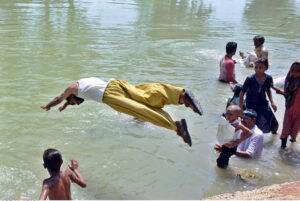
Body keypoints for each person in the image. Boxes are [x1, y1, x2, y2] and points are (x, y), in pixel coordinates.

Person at [41, 78, 203, 147]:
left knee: (142, 111)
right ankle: (181, 96)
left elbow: (60, 97)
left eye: (74, 103)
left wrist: (51, 105)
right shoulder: (83, 83)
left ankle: (177, 126)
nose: (76, 104)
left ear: (72, 96)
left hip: (110, 96)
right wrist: (65, 106)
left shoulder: (72, 88)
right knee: (147, 94)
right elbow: (69, 99)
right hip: (116, 84)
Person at [239, 58, 279, 134]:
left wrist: (272, 102)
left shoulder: (269, 78)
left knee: (273, 122)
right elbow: (242, 93)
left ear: (266, 68)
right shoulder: (250, 78)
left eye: (261, 67)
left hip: (263, 103)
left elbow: (268, 90)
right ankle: (249, 139)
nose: (258, 69)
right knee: (251, 124)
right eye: (256, 67)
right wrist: (241, 108)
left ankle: (274, 136)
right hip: (251, 104)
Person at [272, 61, 300, 148]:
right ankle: (283, 149)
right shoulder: (289, 82)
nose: (294, 73)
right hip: (289, 110)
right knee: (285, 129)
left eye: (298, 71)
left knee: (295, 130)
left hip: (299, 113)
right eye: (292, 70)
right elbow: (288, 94)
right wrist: (278, 90)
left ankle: (291, 148)